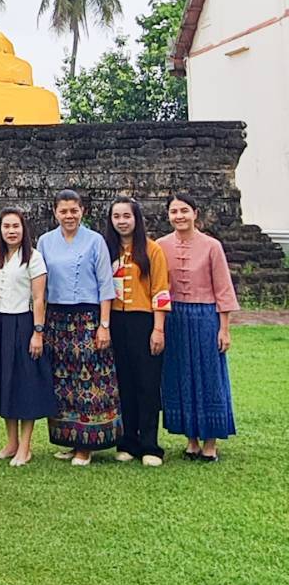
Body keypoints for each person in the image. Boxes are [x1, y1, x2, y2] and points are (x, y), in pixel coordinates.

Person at [37, 190, 119, 467]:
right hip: (57, 319)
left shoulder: (95, 241)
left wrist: (104, 325)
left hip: (88, 317)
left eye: (74, 210)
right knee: (62, 381)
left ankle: (87, 444)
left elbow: (106, 286)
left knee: (89, 378)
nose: (69, 216)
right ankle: (70, 439)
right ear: (55, 212)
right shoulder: (45, 242)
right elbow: (41, 286)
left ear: (82, 211)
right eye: (64, 211)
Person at [157, 192, 238, 461]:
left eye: (184, 211)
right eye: (174, 212)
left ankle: (210, 442)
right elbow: (157, 287)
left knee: (208, 376)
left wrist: (224, 328)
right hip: (174, 318)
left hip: (205, 318)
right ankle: (190, 439)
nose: (179, 216)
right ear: (168, 216)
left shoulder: (212, 246)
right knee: (180, 375)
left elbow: (223, 289)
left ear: (195, 213)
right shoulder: (160, 246)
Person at [0, 208, 55, 467]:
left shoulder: (33, 258)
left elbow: (38, 298)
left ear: (24, 229)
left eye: (16, 226)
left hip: (23, 323)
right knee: (3, 381)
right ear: (0, 230)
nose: (11, 231)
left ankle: (25, 446)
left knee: (24, 383)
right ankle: (10, 442)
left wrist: (37, 332)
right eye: (6, 226)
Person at [105, 197, 172, 468]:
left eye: (127, 216)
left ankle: (150, 445)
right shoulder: (106, 250)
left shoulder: (152, 250)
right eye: (117, 216)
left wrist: (158, 329)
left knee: (147, 383)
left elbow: (161, 290)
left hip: (143, 321)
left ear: (136, 219)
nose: (122, 221)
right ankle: (127, 441)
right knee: (124, 384)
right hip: (116, 322)